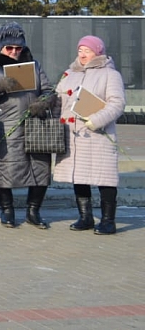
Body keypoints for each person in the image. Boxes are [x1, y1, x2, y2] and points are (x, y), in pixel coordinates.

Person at [0, 21, 57, 229]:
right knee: (3, 170)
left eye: (18, 47)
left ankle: (33, 211)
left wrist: (43, 102)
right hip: (5, 127)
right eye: (9, 48)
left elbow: (49, 90)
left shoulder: (34, 65)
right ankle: (7, 210)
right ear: (0, 47)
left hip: (35, 126)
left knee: (40, 170)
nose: (14, 52)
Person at [54, 35, 125, 235]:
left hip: (99, 134)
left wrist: (97, 119)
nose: (83, 55)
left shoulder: (110, 74)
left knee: (106, 178)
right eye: (80, 51)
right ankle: (85, 217)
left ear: (98, 52)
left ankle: (108, 220)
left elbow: (117, 103)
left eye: (88, 51)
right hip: (74, 135)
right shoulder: (69, 73)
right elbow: (59, 98)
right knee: (80, 175)